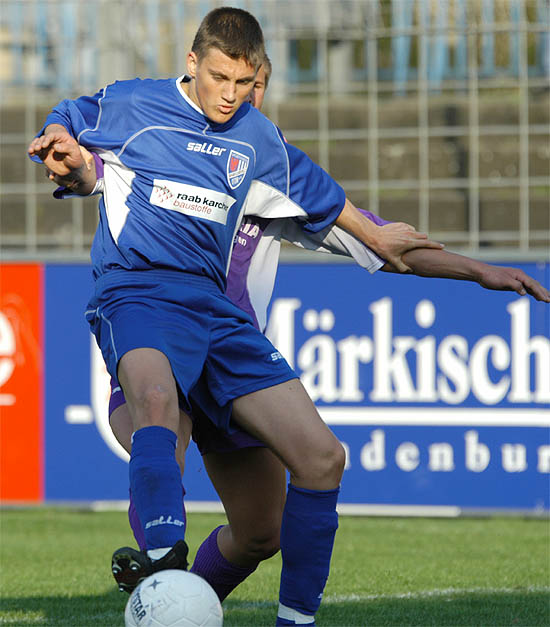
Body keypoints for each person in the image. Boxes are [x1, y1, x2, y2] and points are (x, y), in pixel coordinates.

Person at [41, 51, 550, 619]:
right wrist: (74, 166)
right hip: (161, 341)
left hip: (230, 364)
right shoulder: (161, 143)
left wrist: (479, 271)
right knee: (161, 430)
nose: (241, 96)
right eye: (231, 81)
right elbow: (92, 171)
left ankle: (176, 599)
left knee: (262, 531)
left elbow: (381, 241)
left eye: (253, 85)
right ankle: (160, 572)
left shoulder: (269, 177)